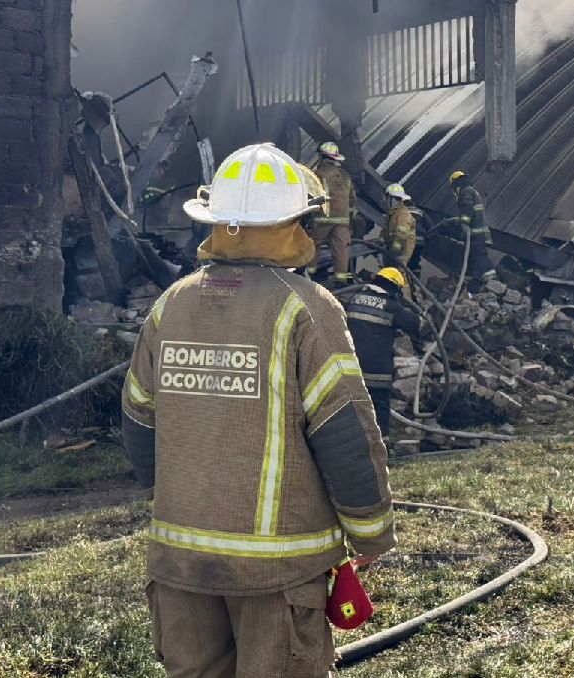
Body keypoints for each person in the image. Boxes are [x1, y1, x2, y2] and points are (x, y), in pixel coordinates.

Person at [121, 142, 395, 678]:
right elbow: (344, 432)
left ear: (217, 222)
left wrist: (183, 499)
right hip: (276, 572)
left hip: (181, 565)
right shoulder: (305, 307)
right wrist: (369, 531)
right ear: (295, 224)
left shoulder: (170, 305)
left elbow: (137, 420)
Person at [344, 267, 424, 437]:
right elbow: (416, 325)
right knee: (379, 405)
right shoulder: (390, 306)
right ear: (395, 287)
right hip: (377, 368)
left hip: (351, 366)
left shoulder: (355, 298)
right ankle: (383, 442)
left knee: (354, 407)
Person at [309, 141, 356, 288]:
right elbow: (352, 200)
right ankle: (341, 281)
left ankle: (309, 275)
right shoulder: (346, 176)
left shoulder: (317, 174)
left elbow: (311, 196)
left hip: (322, 218)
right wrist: (348, 219)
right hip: (343, 221)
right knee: (341, 250)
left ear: (321, 157)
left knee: (312, 245)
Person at [443, 170, 497, 282]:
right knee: (470, 256)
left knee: (479, 254)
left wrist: (464, 223)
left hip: (476, 232)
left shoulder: (465, 191)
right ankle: (469, 279)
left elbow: (467, 208)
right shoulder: (471, 191)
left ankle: (491, 279)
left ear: (456, 184)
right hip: (476, 231)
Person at [381, 183, 417, 272]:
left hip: (401, 250)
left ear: (392, 199)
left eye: (387, 198)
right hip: (392, 249)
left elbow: (401, 234)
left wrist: (395, 250)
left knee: (399, 273)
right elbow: (386, 231)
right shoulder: (392, 213)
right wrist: (379, 241)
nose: (386, 201)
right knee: (389, 273)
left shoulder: (402, 213)